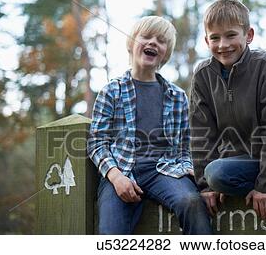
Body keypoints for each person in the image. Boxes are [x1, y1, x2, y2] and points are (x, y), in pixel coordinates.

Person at [87, 16, 212, 234]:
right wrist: (116, 177)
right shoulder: (111, 92)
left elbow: (184, 147)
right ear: (131, 43)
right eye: (146, 37)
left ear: (166, 53)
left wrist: (195, 174)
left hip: (163, 169)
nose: (153, 42)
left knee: (191, 202)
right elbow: (97, 143)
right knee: (111, 231)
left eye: (161, 40)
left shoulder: (177, 97)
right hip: (122, 168)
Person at [190, 0, 266, 220]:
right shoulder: (203, 75)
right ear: (207, 41)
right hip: (233, 163)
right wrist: (206, 187)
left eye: (231, 35)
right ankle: (241, 187)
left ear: (249, 35)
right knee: (215, 174)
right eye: (215, 37)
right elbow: (201, 134)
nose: (223, 44)